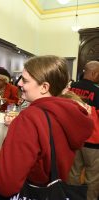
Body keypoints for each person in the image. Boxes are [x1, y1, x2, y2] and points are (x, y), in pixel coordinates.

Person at [0, 55, 94, 198]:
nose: (19, 83)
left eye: (25, 80)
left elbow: (6, 184)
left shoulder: (29, 119)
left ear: (44, 87)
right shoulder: (67, 113)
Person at [68, 60, 99, 200]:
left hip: (73, 138)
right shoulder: (98, 91)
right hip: (93, 141)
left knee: (73, 173)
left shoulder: (71, 88)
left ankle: (70, 197)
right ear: (95, 73)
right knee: (92, 178)